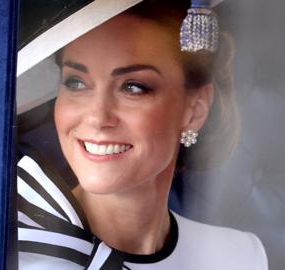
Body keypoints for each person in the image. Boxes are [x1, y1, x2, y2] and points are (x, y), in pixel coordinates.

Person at [16, 0, 268, 269]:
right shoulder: (5, 250)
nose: (98, 117)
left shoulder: (240, 256)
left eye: (133, 87)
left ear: (194, 110)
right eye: (76, 82)